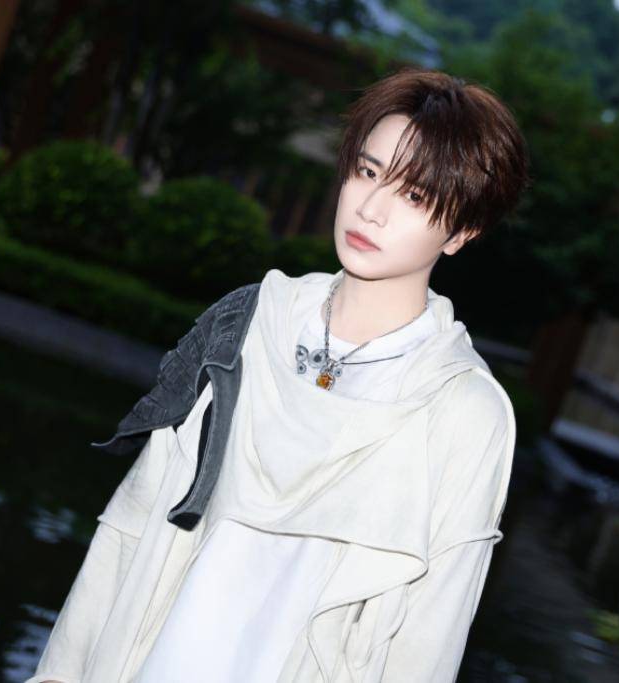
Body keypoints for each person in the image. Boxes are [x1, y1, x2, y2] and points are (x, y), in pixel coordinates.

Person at [28, 66, 530, 683]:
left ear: (461, 232)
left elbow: (429, 639)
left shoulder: (464, 412)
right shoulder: (246, 325)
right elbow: (131, 526)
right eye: (368, 172)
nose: (371, 209)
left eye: (415, 197)